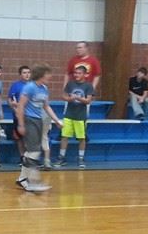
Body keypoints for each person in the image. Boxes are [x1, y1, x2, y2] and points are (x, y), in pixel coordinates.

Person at [14, 65, 62, 193]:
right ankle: (33, 181)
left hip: (39, 120)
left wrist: (57, 120)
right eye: (48, 74)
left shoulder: (44, 89)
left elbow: (46, 106)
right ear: (41, 75)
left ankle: (22, 179)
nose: (50, 77)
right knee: (34, 151)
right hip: (29, 120)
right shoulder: (29, 87)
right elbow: (20, 106)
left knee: (31, 152)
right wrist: (21, 124)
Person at [54, 65, 95, 169]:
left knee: (81, 138)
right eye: (75, 73)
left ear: (84, 74)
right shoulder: (70, 84)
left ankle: (81, 158)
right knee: (64, 136)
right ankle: (61, 157)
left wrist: (78, 98)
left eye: (79, 73)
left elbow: (88, 101)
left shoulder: (88, 86)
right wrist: (69, 99)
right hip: (69, 114)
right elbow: (63, 96)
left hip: (81, 116)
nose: (76, 75)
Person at [7, 65, 31, 162]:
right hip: (18, 116)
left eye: (28, 72)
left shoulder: (33, 86)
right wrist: (14, 107)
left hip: (30, 116)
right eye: (24, 73)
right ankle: (22, 157)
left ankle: (30, 157)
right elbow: (10, 100)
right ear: (20, 74)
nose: (27, 75)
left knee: (29, 138)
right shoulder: (15, 85)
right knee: (19, 137)